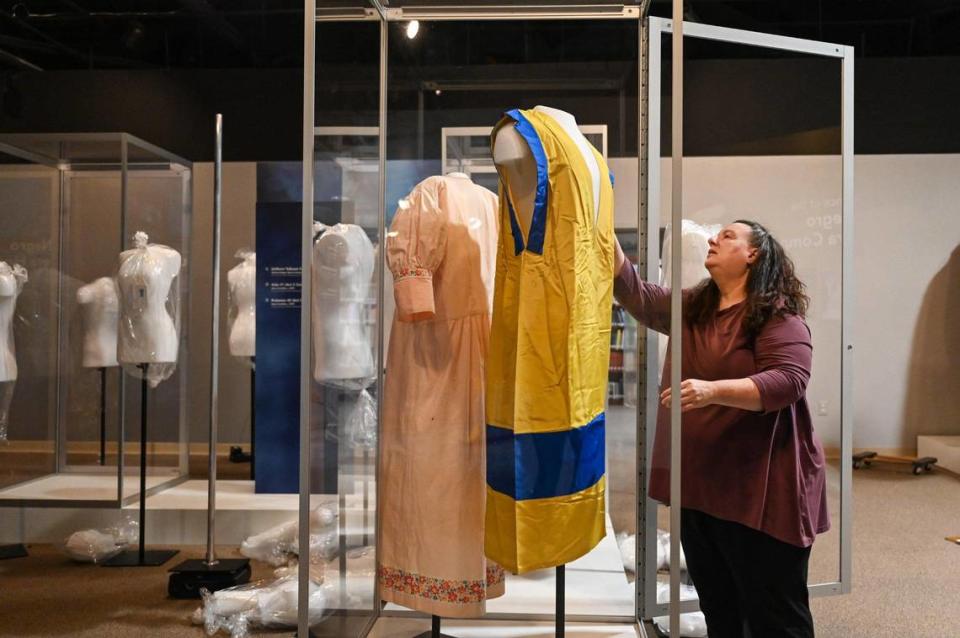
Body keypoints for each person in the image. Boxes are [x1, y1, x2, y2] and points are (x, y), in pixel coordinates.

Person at [614, 220, 829, 638]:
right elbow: (638, 296)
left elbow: (788, 380)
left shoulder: (777, 317)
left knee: (774, 615)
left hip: (763, 497)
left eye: (728, 236)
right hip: (704, 491)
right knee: (720, 606)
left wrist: (714, 390)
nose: (714, 239)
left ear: (753, 255)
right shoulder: (695, 307)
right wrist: (604, 234)